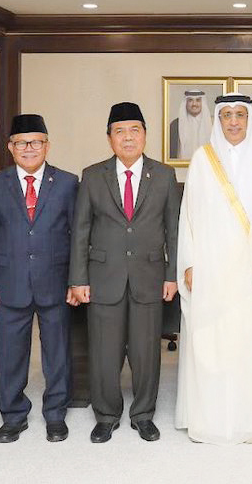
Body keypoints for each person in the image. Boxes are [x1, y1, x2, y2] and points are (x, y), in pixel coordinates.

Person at [174, 93, 252, 444]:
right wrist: (190, 263)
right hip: (212, 268)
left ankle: (250, 419)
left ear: (250, 118)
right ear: (218, 120)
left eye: (241, 114)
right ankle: (210, 418)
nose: (234, 122)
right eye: (227, 115)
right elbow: (189, 217)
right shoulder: (202, 159)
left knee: (251, 344)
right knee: (212, 341)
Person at [69, 102, 181, 443]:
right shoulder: (92, 175)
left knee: (147, 351)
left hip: (149, 275)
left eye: (134, 130)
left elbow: (173, 230)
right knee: (104, 351)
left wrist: (171, 274)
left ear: (145, 136)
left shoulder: (164, 175)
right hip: (103, 277)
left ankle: (144, 413)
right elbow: (81, 230)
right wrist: (78, 279)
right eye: (120, 131)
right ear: (109, 138)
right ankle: (106, 415)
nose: (128, 137)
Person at [0, 114, 78, 444]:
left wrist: (76, 281)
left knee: (58, 353)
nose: (29, 149)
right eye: (21, 143)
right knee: (10, 353)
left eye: (36, 142)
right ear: (10, 147)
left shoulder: (67, 182)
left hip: (56, 282)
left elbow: (78, 235)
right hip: (9, 284)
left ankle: (56, 413)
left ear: (47, 145)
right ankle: (13, 415)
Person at [168, 89, 210, 159]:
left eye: (198, 100)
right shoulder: (175, 125)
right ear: (186, 103)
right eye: (190, 100)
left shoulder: (212, 125)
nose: (194, 104)